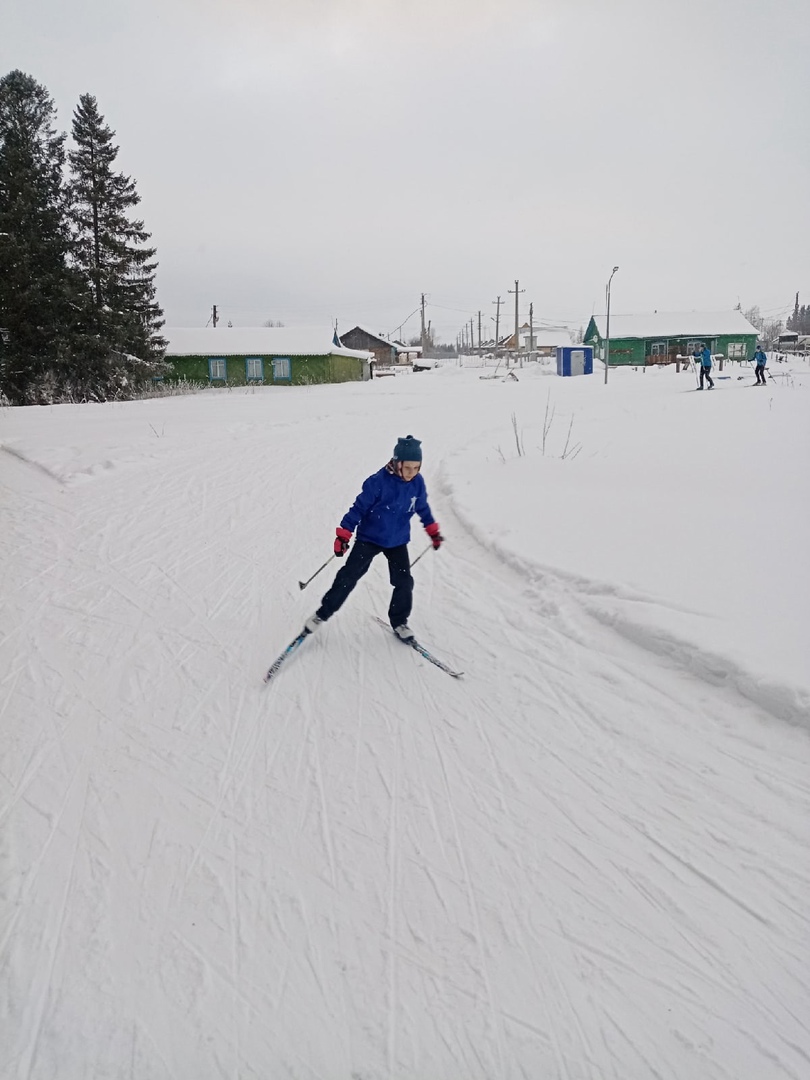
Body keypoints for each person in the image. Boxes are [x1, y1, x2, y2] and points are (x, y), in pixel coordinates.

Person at [304, 435, 443, 641]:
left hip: (397, 541)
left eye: (416, 468)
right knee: (348, 576)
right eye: (407, 468)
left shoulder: (417, 483)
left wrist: (432, 530)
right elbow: (357, 509)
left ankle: (399, 622)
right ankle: (322, 614)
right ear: (397, 463)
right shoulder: (377, 483)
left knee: (404, 582)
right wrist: (343, 534)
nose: (411, 474)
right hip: (369, 538)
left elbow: (422, 507)